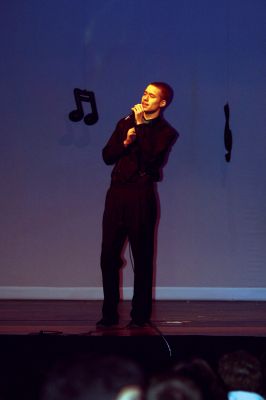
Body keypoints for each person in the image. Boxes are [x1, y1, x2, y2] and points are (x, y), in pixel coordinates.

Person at [97, 82, 178, 327]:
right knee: (108, 256)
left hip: (141, 196)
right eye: (144, 93)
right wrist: (125, 141)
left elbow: (151, 160)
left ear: (162, 103)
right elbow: (107, 156)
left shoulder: (166, 132)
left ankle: (140, 317)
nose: (145, 98)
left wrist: (141, 128)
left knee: (142, 258)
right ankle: (109, 314)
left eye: (152, 96)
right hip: (117, 194)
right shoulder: (125, 122)